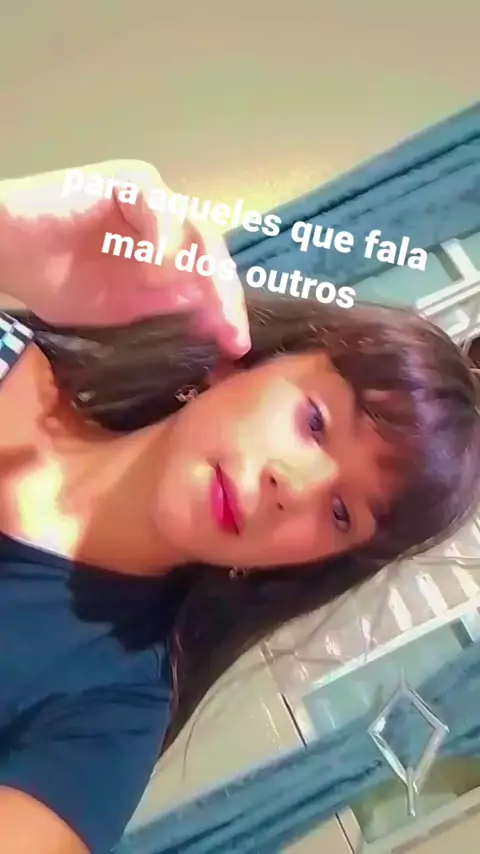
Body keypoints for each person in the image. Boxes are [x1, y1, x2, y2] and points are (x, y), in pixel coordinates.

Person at [0, 161, 479, 854]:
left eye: (340, 513)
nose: (293, 486)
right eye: (315, 422)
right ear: (243, 362)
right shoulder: (15, 354)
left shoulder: (113, 713)